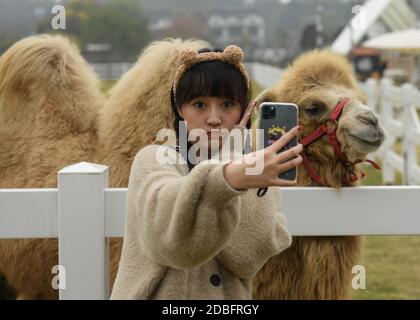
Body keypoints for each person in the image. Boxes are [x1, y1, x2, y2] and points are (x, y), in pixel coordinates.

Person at [110, 45, 303, 300]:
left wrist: (235, 161)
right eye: (199, 104)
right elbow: (176, 246)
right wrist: (229, 178)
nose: (214, 118)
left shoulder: (257, 170)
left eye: (227, 104)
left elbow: (248, 257)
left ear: (243, 111)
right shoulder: (153, 159)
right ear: (180, 109)